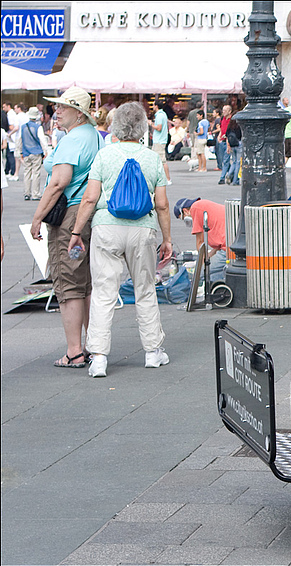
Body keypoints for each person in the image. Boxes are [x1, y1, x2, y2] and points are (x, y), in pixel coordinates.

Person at [68, 101, 172, 378]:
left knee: (103, 292)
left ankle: (99, 357)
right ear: (142, 128)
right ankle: (152, 352)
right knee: (145, 289)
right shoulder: (152, 158)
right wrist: (167, 238)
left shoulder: (104, 155)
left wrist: (77, 232)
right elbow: (161, 204)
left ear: (115, 126)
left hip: (106, 227)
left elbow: (90, 198)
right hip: (143, 229)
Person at [29, 87, 104, 369]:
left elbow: (59, 182)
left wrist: (37, 217)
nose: (56, 112)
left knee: (68, 280)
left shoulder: (73, 140)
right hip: (88, 211)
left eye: (62, 108)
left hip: (70, 212)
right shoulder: (95, 137)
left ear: (79, 113)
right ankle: (88, 344)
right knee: (85, 282)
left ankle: (74, 350)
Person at [173, 197, 227, 283]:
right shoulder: (203, 206)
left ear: (185, 211)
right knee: (215, 274)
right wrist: (208, 256)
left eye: (184, 218)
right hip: (228, 245)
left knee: (202, 275)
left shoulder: (195, 208)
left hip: (226, 250)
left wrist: (200, 266)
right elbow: (219, 246)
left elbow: (200, 243)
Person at [20, 107, 49, 201]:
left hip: (26, 152)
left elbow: (20, 140)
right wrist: (45, 151)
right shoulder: (38, 127)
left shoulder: (23, 127)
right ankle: (35, 193)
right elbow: (42, 140)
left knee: (27, 172)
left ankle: (26, 193)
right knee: (36, 173)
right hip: (36, 152)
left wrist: (20, 151)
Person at [148, 100, 172, 185]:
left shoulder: (159, 116)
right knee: (159, 160)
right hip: (160, 139)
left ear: (156, 106)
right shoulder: (162, 115)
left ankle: (168, 178)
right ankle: (163, 178)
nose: (153, 107)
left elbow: (159, 128)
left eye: (153, 105)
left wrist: (151, 124)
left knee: (162, 160)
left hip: (159, 140)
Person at [217, 105, 233, 184]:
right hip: (222, 140)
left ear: (229, 111)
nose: (223, 112)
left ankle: (222, 178)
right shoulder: (223, 118)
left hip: (228, 141)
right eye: (223, 110)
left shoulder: (231, 120)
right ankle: (232, 172)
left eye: (225, 110)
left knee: (226, 160)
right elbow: (221, 128)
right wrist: (219, 135)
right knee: (223, 159)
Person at [224, 117, 242, 185]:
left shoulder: (229, 127)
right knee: (238, 162)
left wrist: (228, 146)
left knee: (234, 162)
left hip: (231, 145)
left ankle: (229, 174)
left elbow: (227, 136)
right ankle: (235, 180)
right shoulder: (239, 126)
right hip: (239, 144)